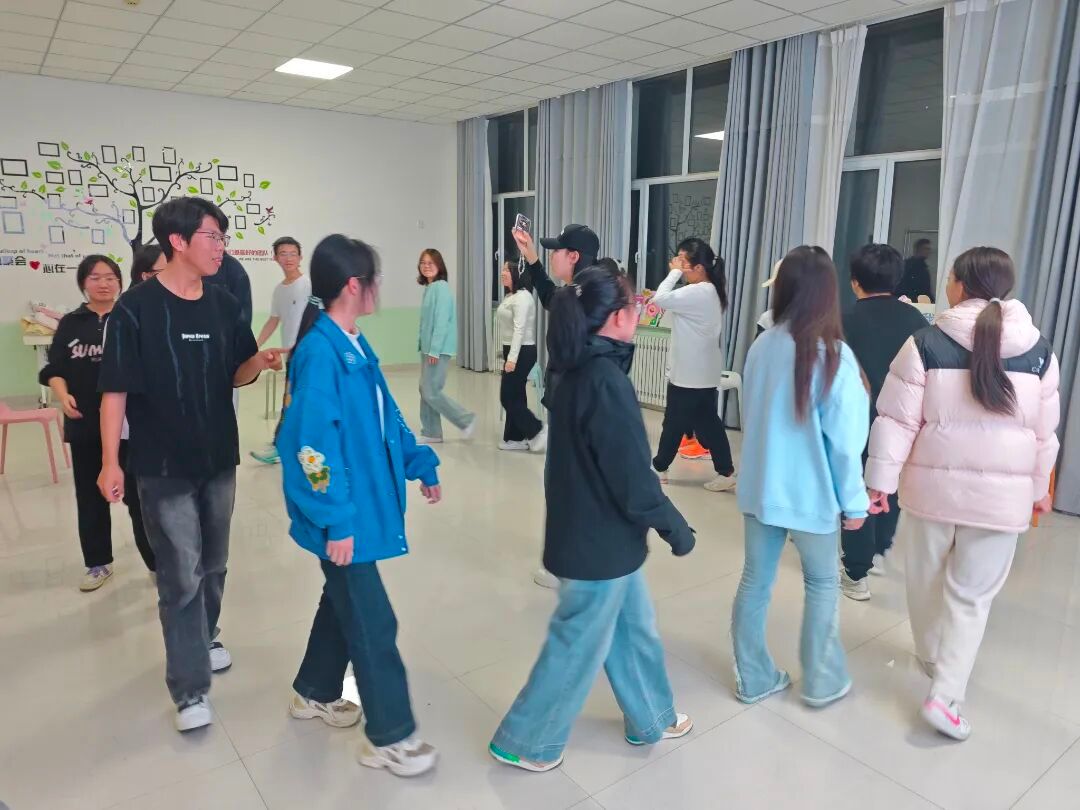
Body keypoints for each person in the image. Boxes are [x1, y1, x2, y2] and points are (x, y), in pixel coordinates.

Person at [489, 263, 696, 772]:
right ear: (618, 317)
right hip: (596, 545)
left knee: (633, 629)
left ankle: (651, 717)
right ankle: (524, 740)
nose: (639, 311)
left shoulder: (574, 366)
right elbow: (634, 478)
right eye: (634, 304)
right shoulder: (604, 381)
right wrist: (676, 528)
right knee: (577, 645)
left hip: (600, 538)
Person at [97, 197, 281, 732]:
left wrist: (258, 362)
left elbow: (235, 374)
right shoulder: (135, 308)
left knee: (215, 566)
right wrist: (110, 462)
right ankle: (189, 689)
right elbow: (115, 390)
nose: (221, 247)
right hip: (161, 464)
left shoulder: (223, 304)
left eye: (223, 237)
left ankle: (205, 636)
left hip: (218, 456)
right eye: (212, 237)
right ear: (178, 241)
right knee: (180, 574)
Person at [865, 247, 1059, 741]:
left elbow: (896, 420)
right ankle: (945, 696)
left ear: (957, 285)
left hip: (932, 495)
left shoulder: (925, 342)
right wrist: (1039, 488)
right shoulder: (1039, 351)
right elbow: (1044, 434)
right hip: (1000, 503)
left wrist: (879, 483)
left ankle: (932, 656)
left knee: (924, 582)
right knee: (971, 599)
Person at [278, 234, 440, 777]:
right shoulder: (320, 354)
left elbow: (386, 416)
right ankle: (391, 737)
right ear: (355, 285)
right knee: (373, 621)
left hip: (358, 508)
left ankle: (313, 690)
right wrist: (336, 521)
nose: (378, 288)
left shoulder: (353, 343)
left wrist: (418, 461)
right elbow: (311, 451)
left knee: (341, 599)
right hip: (342, 515)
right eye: (376, 279)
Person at [731, 246, 869, 708]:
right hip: (812, 496)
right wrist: (855, 503)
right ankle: (822, 681)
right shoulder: (834, 355)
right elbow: (845, 444)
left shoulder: (762, 345)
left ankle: (754, 679)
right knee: (822, 584)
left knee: (754, 582)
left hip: (760, 488)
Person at [40, 255, 154, 590]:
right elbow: (54, 369)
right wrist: (62, 395)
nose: (103, 284)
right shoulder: (71, 323)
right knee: (90, 498)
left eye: (110, 277)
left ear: (120, 281)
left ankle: (156, 563)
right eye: (95, 278)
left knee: (139, 499)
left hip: (130, 425)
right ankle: (98, 563)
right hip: (85, 423)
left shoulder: (132, 315)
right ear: (83, 283)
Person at [512, 223, 600, 590]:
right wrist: (531, 257)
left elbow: (553, 301)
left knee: (563, 482)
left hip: (572, 405)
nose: (553, 256)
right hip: (583, 402)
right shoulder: (590, 291)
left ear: (574, 256)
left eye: (556, 251)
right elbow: (550, 296)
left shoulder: (580, 297)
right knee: (576, 480)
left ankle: (564, 566)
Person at [838, 244, 929, 602]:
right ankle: (878, 549)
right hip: (902, 421)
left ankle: (855, 572)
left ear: (855, 281)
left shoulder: (843, 319)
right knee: (889, 485)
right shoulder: (916, 320)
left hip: (856, 419)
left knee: (858, 489)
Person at [649, 238, 735, 492]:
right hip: (702, 373)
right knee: (709, 423)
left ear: (699, 268)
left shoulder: (699, 291)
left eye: (683, 261)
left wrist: (674, 272)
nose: (678, 264)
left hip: (689, 375)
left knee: (673, 423)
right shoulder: (710, 290)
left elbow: (660, 298)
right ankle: (725, 471)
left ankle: (659, 467)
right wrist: (678, 270)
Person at [251, 237, 312, 465]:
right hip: (292, 356)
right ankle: (286, 446)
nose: (288, 258)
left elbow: (320, 317)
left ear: (300, 257)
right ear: (275, 258)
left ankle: (282, 446)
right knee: (293, 400)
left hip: (308, 354)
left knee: (295, 401)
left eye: (293, 253)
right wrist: (254, 345)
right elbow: (273, 320)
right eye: (283, 254)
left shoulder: (307, 285)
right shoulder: (279, 290)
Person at [416, 248, 475, 444]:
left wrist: (434, 350)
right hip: (428, 349)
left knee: (431, 391)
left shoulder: (441, 288)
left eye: (430, 263)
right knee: (425, 389)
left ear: (439, 266)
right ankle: (431, 432)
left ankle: (465, 420)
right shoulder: (430, 287)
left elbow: (441, 321)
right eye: (423, 263)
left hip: (437, 349)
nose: (426, 266)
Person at [496, 261, 546, 452]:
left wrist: (512, 359)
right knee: (516, 394)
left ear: (518, 273)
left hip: (522, 352)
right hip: (513, 350)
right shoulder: (511, 295)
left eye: (507, 270)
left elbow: (519, 330)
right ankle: (515, 438)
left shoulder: (523, 297)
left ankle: (537, 430)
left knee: (507, 396)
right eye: (503, 269)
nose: (503, 273)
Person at [895, 238, 934, 303]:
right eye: (926, 248)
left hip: (919, 303)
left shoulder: (923, 268)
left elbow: (926, 289)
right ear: (918, 249)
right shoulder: (906, 266)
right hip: (908, 302)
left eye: (929, 249)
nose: (928, 251)